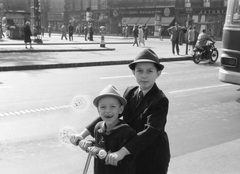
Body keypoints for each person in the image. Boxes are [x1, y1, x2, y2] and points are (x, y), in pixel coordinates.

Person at [70, 48, 171, 174]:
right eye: (139, 71)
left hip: (151, 155)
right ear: (134, 72)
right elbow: (110, 114)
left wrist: (121, 152)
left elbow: (150, 132)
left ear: (158, 73)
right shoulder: (130, 91)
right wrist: (82, 135)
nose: (144, 75)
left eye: (149, 71)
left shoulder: (160, 100)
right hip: (129, 151)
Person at [77, 85, 137, 174]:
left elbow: (129, 161)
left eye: (112, 106)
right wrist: (90, 144)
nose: (107, 110)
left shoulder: (127, 132)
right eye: (103, 107)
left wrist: (112, 157)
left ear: (120, 109)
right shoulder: (98, 127)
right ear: (98, 110)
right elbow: (101, 144)